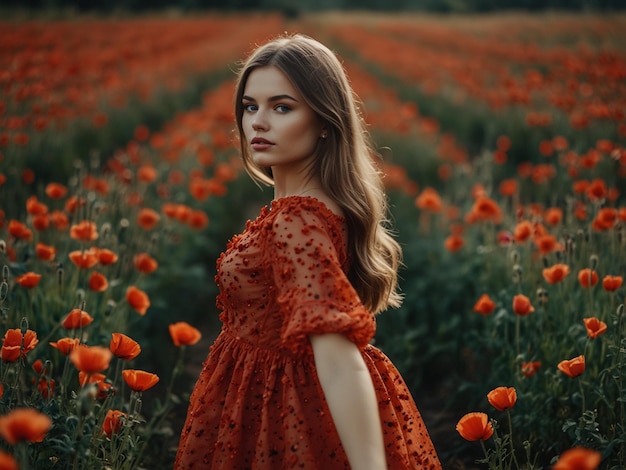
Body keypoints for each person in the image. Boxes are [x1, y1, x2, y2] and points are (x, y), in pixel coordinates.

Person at [174, 33, 442, 469]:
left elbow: (338, 358)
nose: (259, 122)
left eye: (282, 107)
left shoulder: (295, 220)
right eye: (250, 106)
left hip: (280, 409)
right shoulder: (314, 207)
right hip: (282, 397)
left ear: (323, 120)